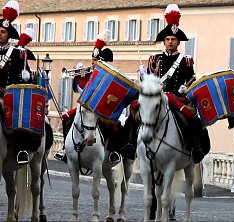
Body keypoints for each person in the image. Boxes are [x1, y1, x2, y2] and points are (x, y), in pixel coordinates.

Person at [140, 4, 211, 220]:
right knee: (136, 112)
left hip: (177, 99)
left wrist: (185, 87)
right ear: (164, 42)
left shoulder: (185, 60)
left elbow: (191, 78)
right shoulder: (154, 59)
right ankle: (128, 145)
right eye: (167, 40)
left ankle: (194, 148)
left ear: (178, 42)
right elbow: (150, 79)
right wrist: (144, 76)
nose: (170, 42)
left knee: (190, 118)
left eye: (173, 40)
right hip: (158, 98)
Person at [54, 29, 124, 164]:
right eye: (92, 60)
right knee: (66, 119)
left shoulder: (109, 76)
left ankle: (114, 151)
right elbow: (79, 91)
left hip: (101, 109)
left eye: (95, 61)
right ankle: (65, 148)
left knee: (114, 126)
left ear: (101, 62)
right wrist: (78, 79)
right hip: (85, 107)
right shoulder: (89, 75)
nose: (92, 63)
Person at [0, 1, 39, 164]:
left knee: (17, 118)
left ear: (8, 34)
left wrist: (26, 75)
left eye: (2, 32)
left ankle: (21, 148)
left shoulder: (17, 53)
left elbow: (28, 76)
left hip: (7, 93)